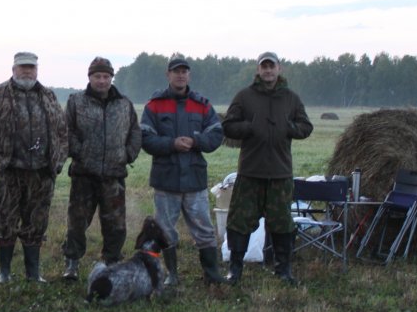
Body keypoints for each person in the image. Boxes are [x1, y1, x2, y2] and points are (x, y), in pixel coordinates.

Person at [221, 51, 313, 285]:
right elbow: (228, 126)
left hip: (280, 174)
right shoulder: (244, 96)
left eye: (272, 66)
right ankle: (235, 270)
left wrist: (288, 127)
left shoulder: (291, 98)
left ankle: (283, 270)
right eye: (264, 66)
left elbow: (306, 127)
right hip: (250, 172)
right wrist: (249, 127)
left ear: (279, 69)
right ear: (258, 70)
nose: (268, 70)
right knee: (239, 222)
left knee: (282, 223)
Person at [0, 51, 68, 283]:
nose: (27, 71)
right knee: (5, 222)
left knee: (36, 223)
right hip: (8, 172)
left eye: (31, 67)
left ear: (37, 70)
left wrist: (57, 162)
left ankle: (33, 273)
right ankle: (4, 273)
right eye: (22, 67)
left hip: (41, 173)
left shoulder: (48, 96)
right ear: (13, 69)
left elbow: (62, 131)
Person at [140, 53, 225, 285]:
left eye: (184, 71)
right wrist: (171, 144)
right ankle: (172, 275)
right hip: (166, 179)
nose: (180, 75)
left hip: (194, 179)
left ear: (189, 75)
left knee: (204, 229)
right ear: (168, 74)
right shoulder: (154, 105)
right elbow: (145, 139)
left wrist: (196, 141)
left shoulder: (202, 105)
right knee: (165, 230)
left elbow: (216, 135)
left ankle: (212, 275)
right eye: (176, 71)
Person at [60, 56, 142, 280]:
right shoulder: (76, 101)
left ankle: (112, 262)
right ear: (90, 77)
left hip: (114, 175)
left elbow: (135, 132)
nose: (102, 80)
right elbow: (67, 131)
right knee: (77, 222)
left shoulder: (124, 104)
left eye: (106, 76)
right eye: (97, 76)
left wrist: (127, 154)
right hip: (84, 174)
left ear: (111, 78)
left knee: (116, 224)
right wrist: (80, 152)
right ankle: (72, 263)